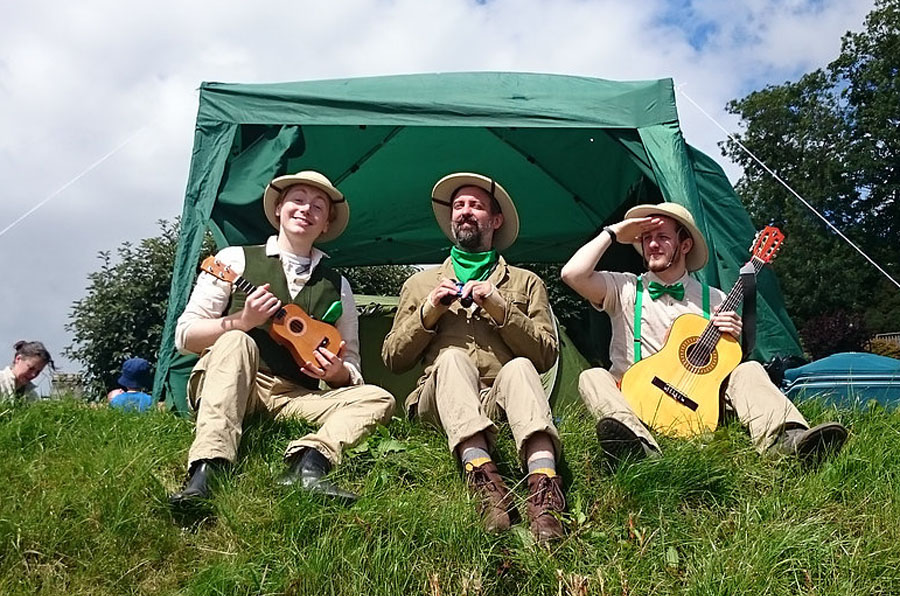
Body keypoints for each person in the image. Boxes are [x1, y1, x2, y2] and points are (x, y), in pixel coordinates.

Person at [169, 170, 395, 508]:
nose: (306, 209)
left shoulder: (339, 286)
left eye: (318, 206)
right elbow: (185, 336)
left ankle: (309, 464)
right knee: (237, 341)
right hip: (231, 382)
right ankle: (208, 469)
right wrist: (242, 321)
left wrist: (336, 373)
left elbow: (353, 366)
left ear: (326, 224)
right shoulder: (233, 259)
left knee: (378, 398)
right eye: (298, 200)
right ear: (279, 209)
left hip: (292, 396)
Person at [560, 202, 847, 465]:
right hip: (634, 397)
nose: (653, 244)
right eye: (647, 238)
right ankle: (639, 447)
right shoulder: (623, 287)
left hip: (695, 401)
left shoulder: (715, 298)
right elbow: (572, 274)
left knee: (749, 369)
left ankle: (784, 439)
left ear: (685, 245)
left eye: (663, 237)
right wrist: (613, 232)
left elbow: (721, 367)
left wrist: (735, 341)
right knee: (592, 377)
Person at [382, 173, 565, 542]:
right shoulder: (420, 285)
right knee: (450, 359)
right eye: (459, 206)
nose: (465, 212)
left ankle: (544, 493)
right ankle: (484, 481)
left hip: (501, 402)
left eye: (476, 206)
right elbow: (392, 359)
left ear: (495, 221)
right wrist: (428, 313)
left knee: (520, 367)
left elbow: (546, 355)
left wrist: (502, 310)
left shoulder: (526, 283)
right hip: (441, 402)